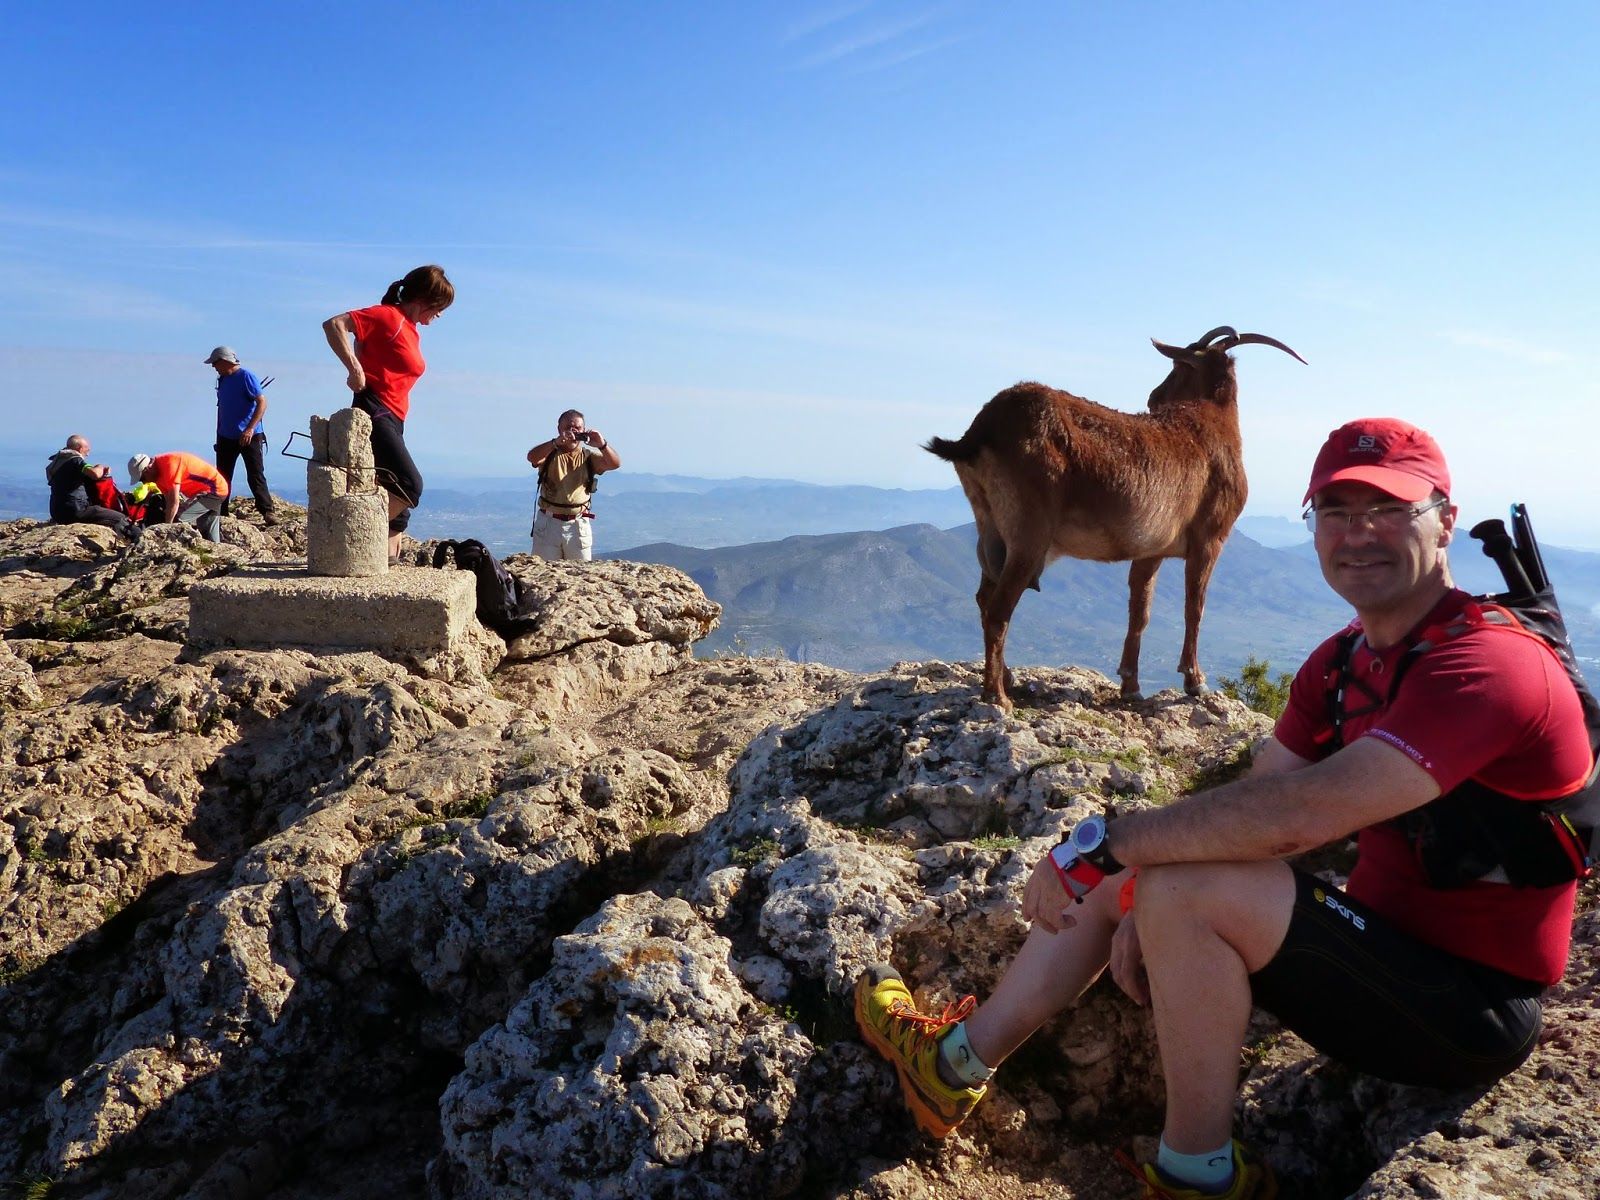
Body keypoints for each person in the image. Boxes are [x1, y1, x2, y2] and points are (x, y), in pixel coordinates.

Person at [856, 417, 1593, 1199]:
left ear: (1445, 520)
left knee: (1163, 874)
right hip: (1369, 957)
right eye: (1337, 513)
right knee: (1150, 870)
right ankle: (953, 1068)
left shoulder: (1490, 666)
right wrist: (1130, 879)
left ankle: (1196, 1178)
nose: (1359, 534)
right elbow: (1255, 799)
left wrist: (1105, 847)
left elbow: (1302, 816)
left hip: (1468, 1012)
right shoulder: (1345, 664)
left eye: (1389, 510)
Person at [321, 265, 454, 562]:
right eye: (439, 307)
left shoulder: (409, 328)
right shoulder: (387, 316)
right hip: (373, 408)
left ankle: (382, 565)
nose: (440, 315)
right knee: (409, 484)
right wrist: (354, 367)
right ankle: (351, 533)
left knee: (397, 512)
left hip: (394, 417)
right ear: (424, 300)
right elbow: (334, 324)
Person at [525, 409, 621, 561]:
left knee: (581, 574)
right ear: (559, 429)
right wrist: (556, 442)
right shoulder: (549, 453)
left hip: (578, 524)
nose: (573, 431)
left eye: (578, 428)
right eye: (568, 427)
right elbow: (532, 457)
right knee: (544, 574)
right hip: (548, 524)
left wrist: (602, 444)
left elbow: (614, 464)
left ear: (584, 431)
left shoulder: (588, 457)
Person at [205, 346, 279, 525]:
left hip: (249, 436)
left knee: (255, 475)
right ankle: (221, 513)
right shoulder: (222, 379)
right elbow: (222, 409)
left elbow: (262, 402)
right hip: (225, 436)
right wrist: (218, 436)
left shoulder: (246, 376)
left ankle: (267, 512)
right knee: (222, 476)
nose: (213, 367)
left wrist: (250, 429)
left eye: (215, 363)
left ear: (224, 361)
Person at [45, 434, 135, 539]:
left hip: (57, 513)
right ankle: (137, 542)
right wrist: (100, 467)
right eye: (87, 449)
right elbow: (95, 474)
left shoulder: (57, 462)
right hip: (76, 510)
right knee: (120, 518)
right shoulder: (75, 460)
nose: (88, 453)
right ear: (80, 448)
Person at [129, 451, 229, 543]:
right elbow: (168, 500)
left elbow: (174, 503)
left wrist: (167, 528)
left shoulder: (170, 465)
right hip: (211, 490)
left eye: (142, 478)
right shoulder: (157, 476)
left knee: (179, 520)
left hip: (214, 490)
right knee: (209, 534)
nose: (144, 482)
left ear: (147, 470)